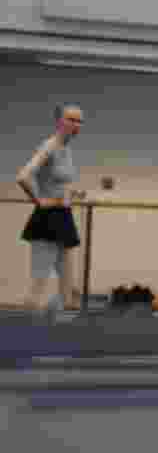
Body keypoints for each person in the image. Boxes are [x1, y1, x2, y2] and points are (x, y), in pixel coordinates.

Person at [16, 103, 87, 312]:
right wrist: (39, 200)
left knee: (68, 283)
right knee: (39, 281)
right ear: (59, 122)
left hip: (63, 216)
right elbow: (22, 176)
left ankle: (63, 327)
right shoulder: (49, 146)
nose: (76, 125)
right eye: (71, 119)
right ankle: (21, 332)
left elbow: (58, 183)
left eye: (79, 121)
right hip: (47, 218)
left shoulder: (67, 149)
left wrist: (72, 194)